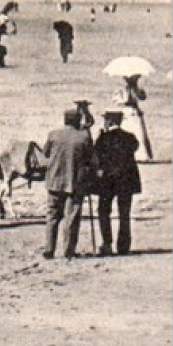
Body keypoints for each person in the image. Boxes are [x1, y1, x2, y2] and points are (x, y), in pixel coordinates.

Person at [41, 107, 96, 259]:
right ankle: (68, 251)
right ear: (78, 121)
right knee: (71, 218)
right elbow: (92, 160)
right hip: (75, 183)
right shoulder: (83, 137)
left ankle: (49, 249)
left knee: (52, 216)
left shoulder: (53, 135)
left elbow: (45, 153)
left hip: (54, 181)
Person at [93, 110, 141, 256]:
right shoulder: (130, 137)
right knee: (124, 213)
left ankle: (107, 244)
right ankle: (123, 246)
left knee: (103, 211)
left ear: (109, 122)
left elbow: (96, 155)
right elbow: (134, 148)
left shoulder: (103, 138)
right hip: (126, 181)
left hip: (107, 181)